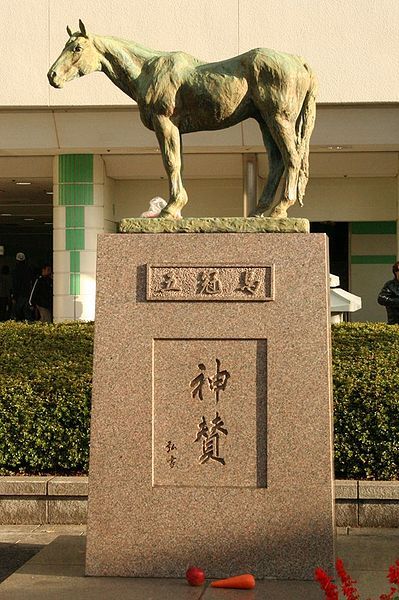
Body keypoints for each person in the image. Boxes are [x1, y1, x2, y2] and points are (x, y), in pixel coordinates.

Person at [11, 252, 34, 321]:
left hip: (19, 295)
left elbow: (15, 284)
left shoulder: (15, 271)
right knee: (27, 314)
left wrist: (14, 296)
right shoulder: (29, 269)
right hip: (27, 294)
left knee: (16, 314)